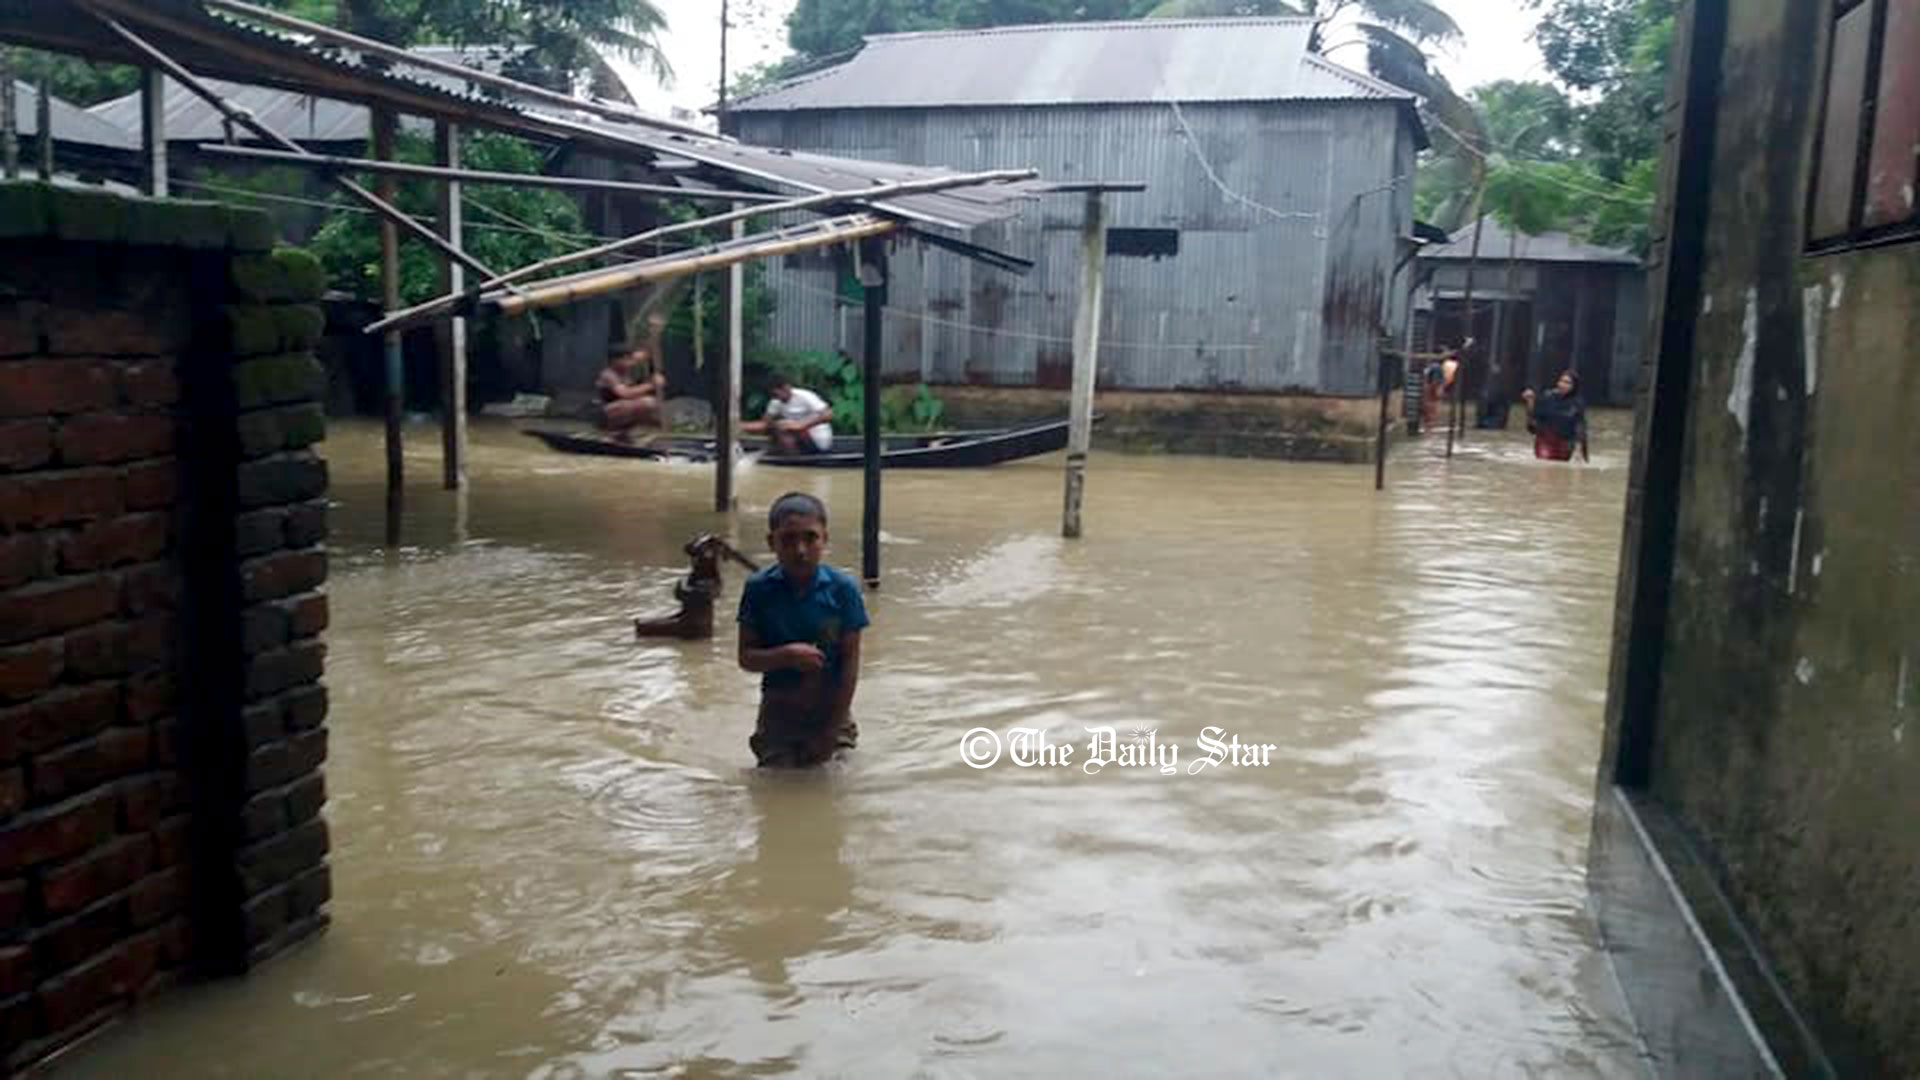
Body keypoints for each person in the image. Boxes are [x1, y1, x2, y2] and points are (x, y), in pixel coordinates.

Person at [736, 492, 869, 768]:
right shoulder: (759, 589)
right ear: (771, 542)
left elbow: (850, 667)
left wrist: (830, 733)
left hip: (831, 709)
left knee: (835, 784)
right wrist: (785, 655)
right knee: (776, 788)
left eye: (810, 538)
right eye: (788, 539)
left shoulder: (843, 589)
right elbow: (746, 657)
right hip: (779, 711)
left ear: (825, 540)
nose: (800, 550)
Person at [742, 375, 834, 455]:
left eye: (778, 392)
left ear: (786, 387)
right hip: (799, 441)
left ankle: (793, 457)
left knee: (783, 425)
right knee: (776, 426)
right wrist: (739, 425)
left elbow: (828, 414)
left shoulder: (805, 396)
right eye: (773, 394)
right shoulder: (776, 401)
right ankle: (791, 457)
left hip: (818, 440)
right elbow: (765, 424)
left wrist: (801, 425)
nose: (777, 397)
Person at [594, 341, 666, 439]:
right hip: (607, 413)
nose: (630, 362)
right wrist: (651, 385)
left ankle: (624, 431)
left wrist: (654, 332)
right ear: (615, 360)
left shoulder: (626, 367)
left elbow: (644, 353)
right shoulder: (609, 375)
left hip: (620, 408)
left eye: (630, 359)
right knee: (646, 403)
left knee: (652, 403)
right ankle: (614, 429)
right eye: (626, 359)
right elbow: (625, 393)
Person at [1521, 369, 1590, 462]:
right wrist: (1530, 401)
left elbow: (1580, 427)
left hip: (1564, 444)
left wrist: (1578, 450)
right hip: (1545, 441)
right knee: (1544, 465)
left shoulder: (1577, 403)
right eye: (1561, 381)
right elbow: (1534, 418)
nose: (1563, 385)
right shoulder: (1548, 397)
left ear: (1574, 386)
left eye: (1567, 383)